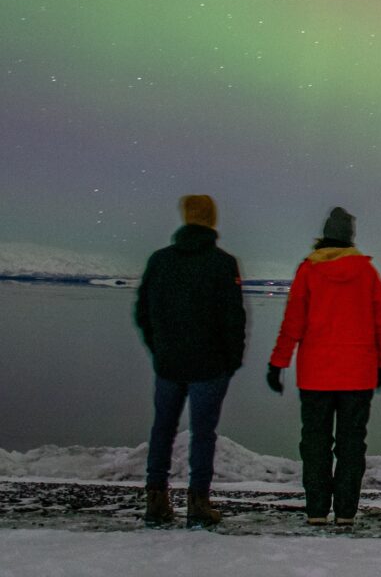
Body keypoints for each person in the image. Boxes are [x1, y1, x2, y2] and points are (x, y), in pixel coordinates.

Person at [267, 207, 381, 526]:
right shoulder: (367, 273)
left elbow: (292, 322)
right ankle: (346, 512)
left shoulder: (308, 271)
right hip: (358, 374)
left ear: (324, 234)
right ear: (351, 237)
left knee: (315, 443)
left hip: (315, 376)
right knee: (352, 446)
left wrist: (278, 362)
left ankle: (317, 510)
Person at [135, 194, 246, 529]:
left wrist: (160, 349)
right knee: (203, 433)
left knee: (162, 429)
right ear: (211, 220)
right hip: (210, 367)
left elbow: (143, 313)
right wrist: (231, 361)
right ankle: (198, 502)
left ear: (185, 218)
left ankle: (156, 501)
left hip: (169, 364)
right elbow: (233, 320)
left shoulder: (160, 261)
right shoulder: (222, 263)